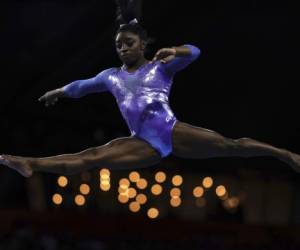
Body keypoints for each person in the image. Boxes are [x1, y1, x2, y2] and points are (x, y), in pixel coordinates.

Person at [1, 0, 300, 178]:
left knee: (231, 146)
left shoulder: (160, 65)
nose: (122, 49)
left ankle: (282, 154)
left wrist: (176, 50)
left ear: (143, 44)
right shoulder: (110, 76)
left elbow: (195, 52)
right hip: (142, 143)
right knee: (91, 157)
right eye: (118, 45)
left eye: (128, 43)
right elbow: (82, 87)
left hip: (171, 131)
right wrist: (59, 91)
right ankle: (29, 163)